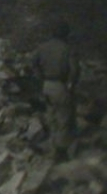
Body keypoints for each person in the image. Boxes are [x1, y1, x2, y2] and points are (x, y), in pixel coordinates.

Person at [30, 22, 81, 159]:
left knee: (51, 116)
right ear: (66, 34)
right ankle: (61, 152)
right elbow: (75, 69)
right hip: (61, 85)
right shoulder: (68, 49)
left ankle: (52, 148)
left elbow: (33, 63)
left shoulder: (42, 47)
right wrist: (71, 84)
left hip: (46, 85)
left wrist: (40, 77)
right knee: (64, 119)